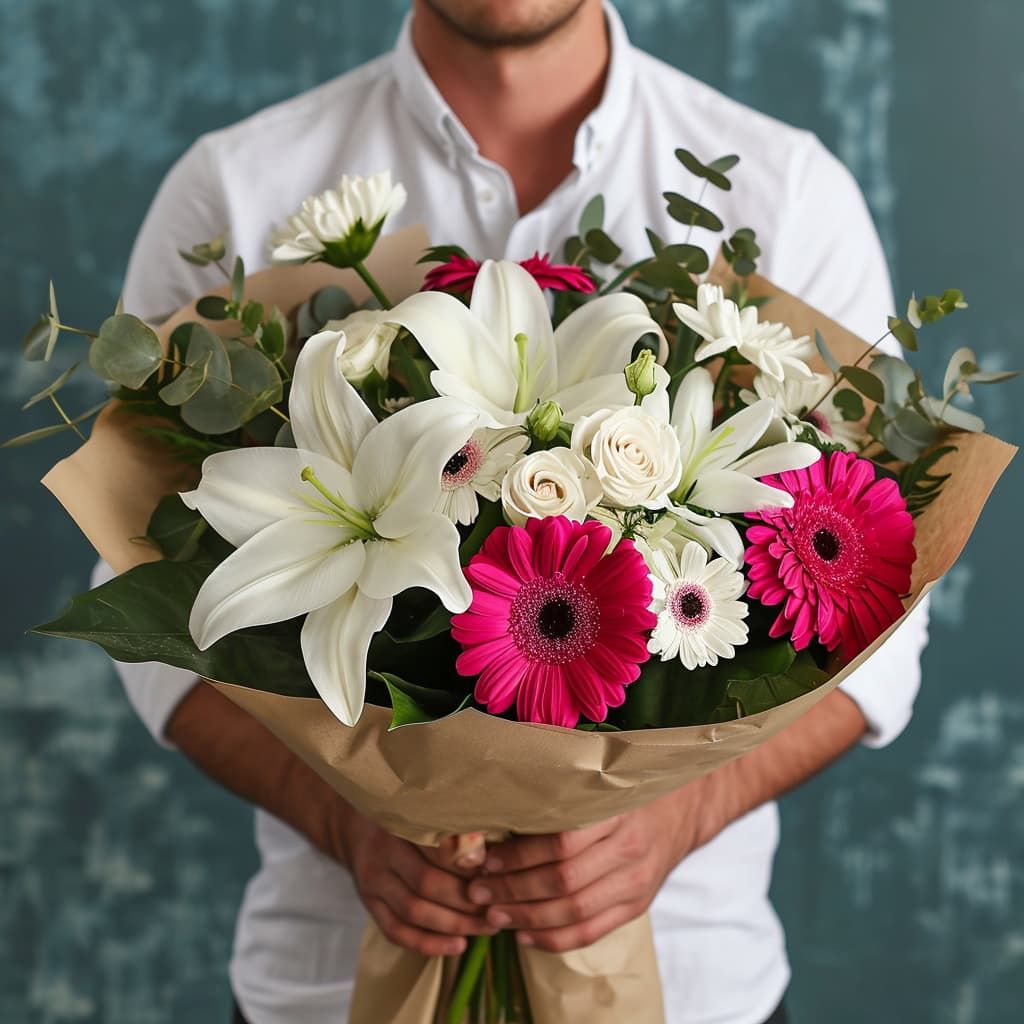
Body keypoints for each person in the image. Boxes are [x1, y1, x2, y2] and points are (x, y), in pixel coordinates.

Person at [99, 2, 930, 1021]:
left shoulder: (783, 189)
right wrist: (343, 816)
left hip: (693, 980)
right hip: (326, 981)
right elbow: (145, 610)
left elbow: (883, 623)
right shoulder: (238, 187)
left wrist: (675, 819)